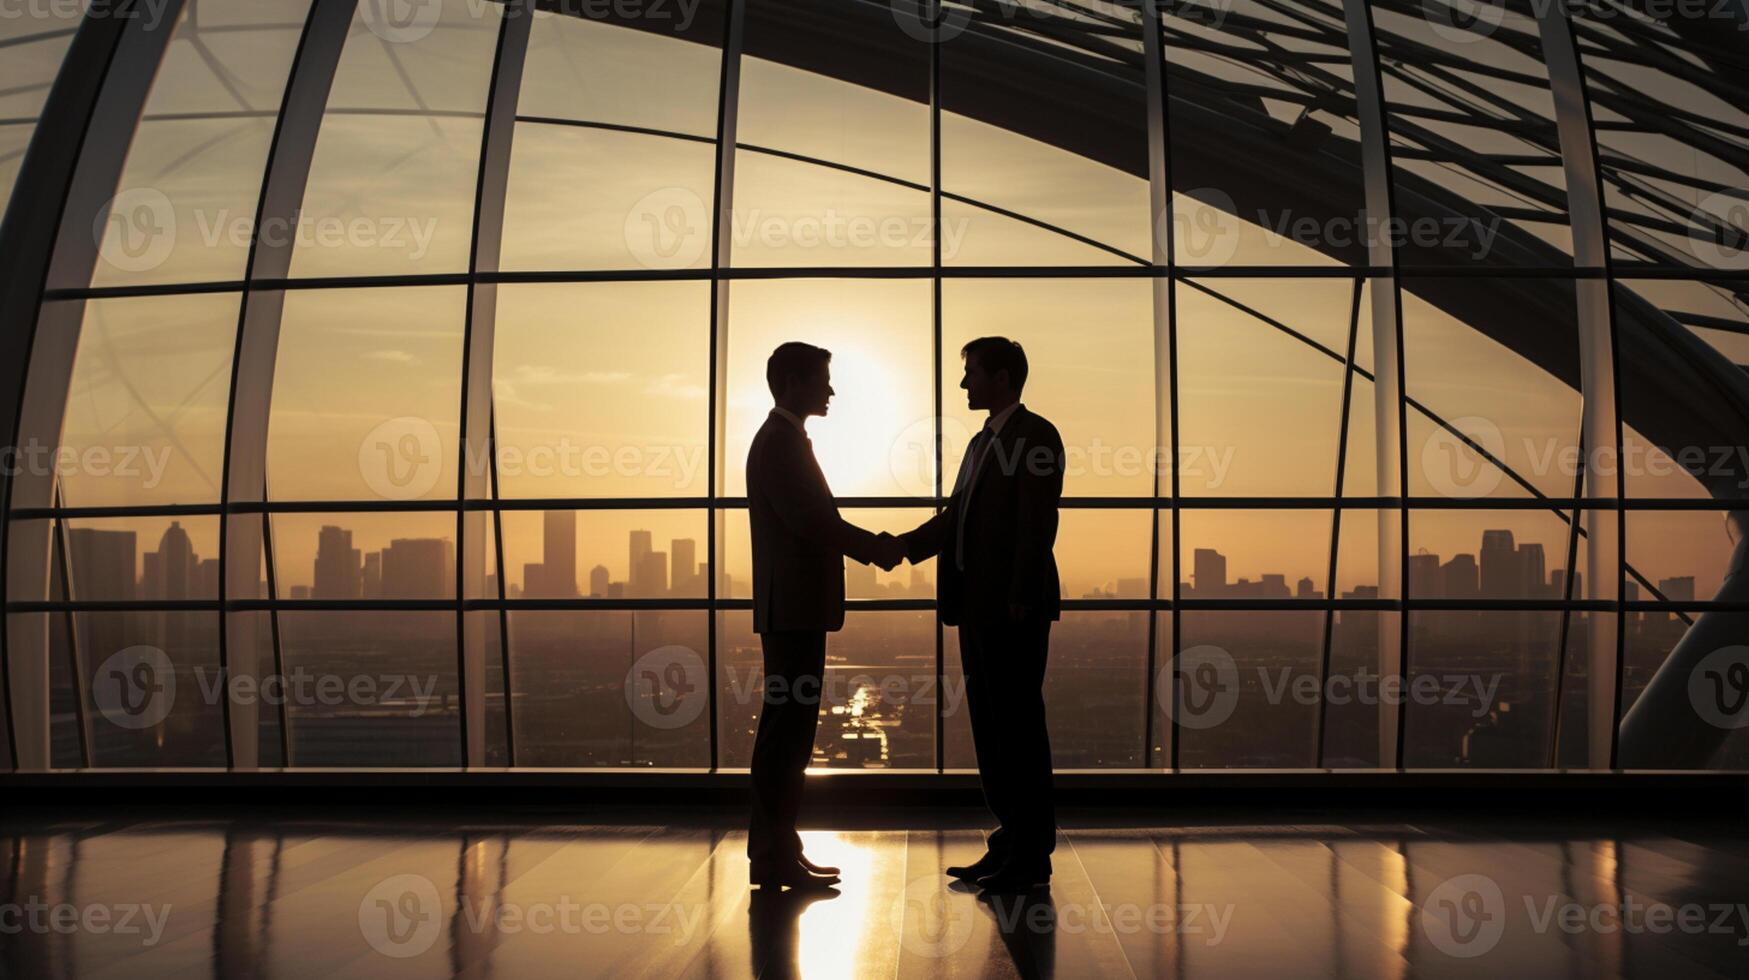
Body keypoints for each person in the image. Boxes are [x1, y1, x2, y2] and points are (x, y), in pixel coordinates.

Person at [898, 336, 1063, 892]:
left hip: (1011, 609)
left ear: (1002, 377)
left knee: (1018, 730)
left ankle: (1030, 856)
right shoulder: (981, 441)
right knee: (993, 731)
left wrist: (1020, 596)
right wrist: (900, 547)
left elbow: (1037, 524)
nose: (964, 383)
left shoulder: (1036, 436)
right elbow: (957, 517)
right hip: (976, 607)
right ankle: (1010, 842)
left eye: (971, 373)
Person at [745, 341, 905, 890]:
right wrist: (876, 548)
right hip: (792, 610)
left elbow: (810, 519)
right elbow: (812, 521)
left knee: (787, 734)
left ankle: (778, 849)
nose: (830, 390)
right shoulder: (781, 444)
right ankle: (772, 853)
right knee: (785, 736)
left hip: (791, 609)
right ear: (792, 382)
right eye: (821, 379)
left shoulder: (782, 440)